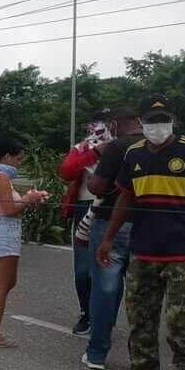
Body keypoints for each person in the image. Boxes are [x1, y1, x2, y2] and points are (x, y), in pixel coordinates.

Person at [98, 94, 185, 370]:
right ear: (141, 123)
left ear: (173, 120)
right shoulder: (133, 153)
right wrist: (108, 238)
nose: (157, 126)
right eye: (151, 120)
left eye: (163, 119)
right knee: (140, 323)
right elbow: (126, 197)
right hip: (143, 252)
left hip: (184, 254)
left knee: (179, 328)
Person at [0, 136, 47, 348]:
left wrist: (28, 200)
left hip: (0, 229)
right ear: (6, 156)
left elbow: (11, 204)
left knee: (4, 283)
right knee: (3, 286)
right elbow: (9, 209)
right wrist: (27, 200)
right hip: (3, 230)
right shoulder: (1, 177)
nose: (19, 163)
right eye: (18, 158)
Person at [82, 106, 143, 370]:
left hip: (111, 223)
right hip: (149, 225)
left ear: (116, 125)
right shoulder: (158, 146)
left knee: (105, 289)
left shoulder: (117, 147)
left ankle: (97, 354)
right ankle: (141, 359)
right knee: (143, 292)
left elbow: (95, 186)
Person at [59, 110, 114, 334]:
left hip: (113, 210)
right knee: (83, 269)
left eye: (105, 124)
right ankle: (86, 313)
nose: (99, 129)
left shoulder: (123, 147)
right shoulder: (82, 148)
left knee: (110, 269)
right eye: (95, 124)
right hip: (84, 209)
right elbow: (66, 171)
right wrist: (95, 152)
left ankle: (106, 317)